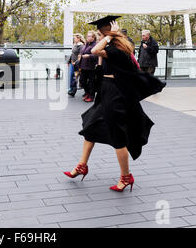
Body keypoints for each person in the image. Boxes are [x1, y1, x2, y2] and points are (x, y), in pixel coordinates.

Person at [63, 15, 166, 192]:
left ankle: (126, 177)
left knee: (118, 137)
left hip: (115, 95)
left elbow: (95, 51)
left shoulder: (117, 49)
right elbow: (101, 63)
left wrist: (110, 36)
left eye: (100, 34)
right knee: (91, 127)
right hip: (107, 90)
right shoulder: (114, 48)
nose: (98, 37)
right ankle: (82, 165)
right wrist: (108, 40)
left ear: (105, 34)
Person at [78, 31, 98, 102]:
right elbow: (82, 53)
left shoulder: (95, 44)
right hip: (83, 66)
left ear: (93, 38)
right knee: (82, 81)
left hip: (91, 66)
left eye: (89, 36)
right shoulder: (86, 44)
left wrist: (89, 56)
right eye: (87, 36)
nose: (87, 37)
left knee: (91, 82)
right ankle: (87, 92)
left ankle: (91, 96)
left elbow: (97, 55)